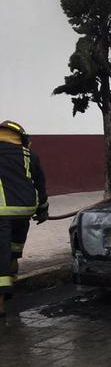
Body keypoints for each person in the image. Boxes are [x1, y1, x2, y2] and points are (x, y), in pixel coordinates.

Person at [0, 121, 48, 317]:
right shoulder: (30, 155)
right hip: (25, 210)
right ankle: (12, 277)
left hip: (2, 211)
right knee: (13, 249)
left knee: (1, 254)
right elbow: (40, 184)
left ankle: (1, 302)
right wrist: (43, 211)